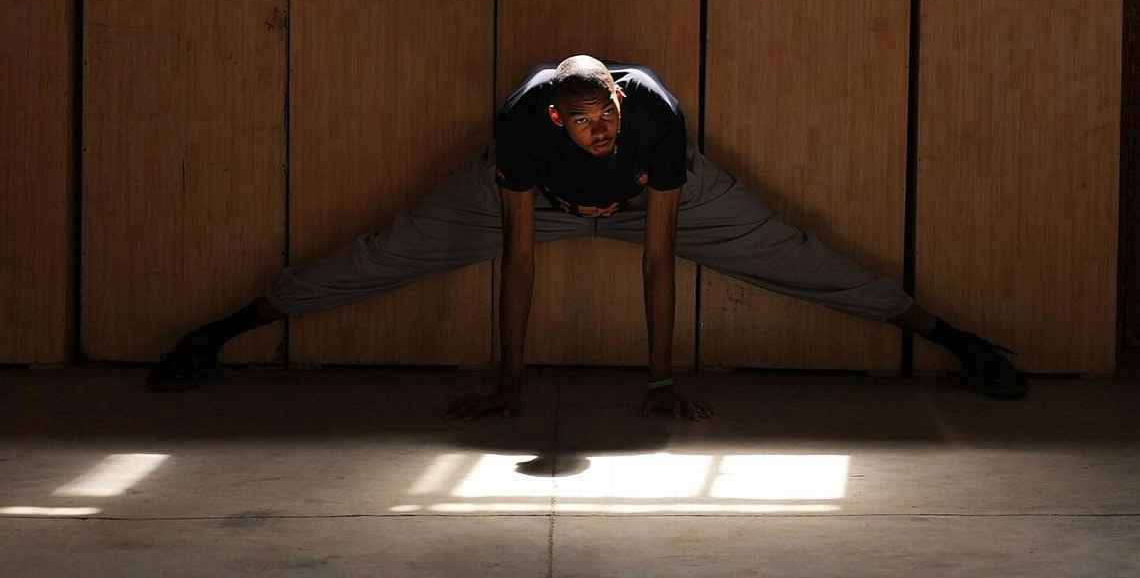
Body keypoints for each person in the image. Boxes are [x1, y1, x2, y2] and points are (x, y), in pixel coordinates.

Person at [147, 54, 1028, 416]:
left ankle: (956, 339)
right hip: (550, 207)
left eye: (607, 120)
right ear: (556, 120)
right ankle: (217, 333)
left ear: (618, 100)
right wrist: (511, 383)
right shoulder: (523, 130)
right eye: (585, 128)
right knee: (387, 252)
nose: (600, 133)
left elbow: (659, 256)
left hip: (650, 206)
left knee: (791, 253)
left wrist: (657, 376)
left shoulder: (654, 119)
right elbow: (518, 254)